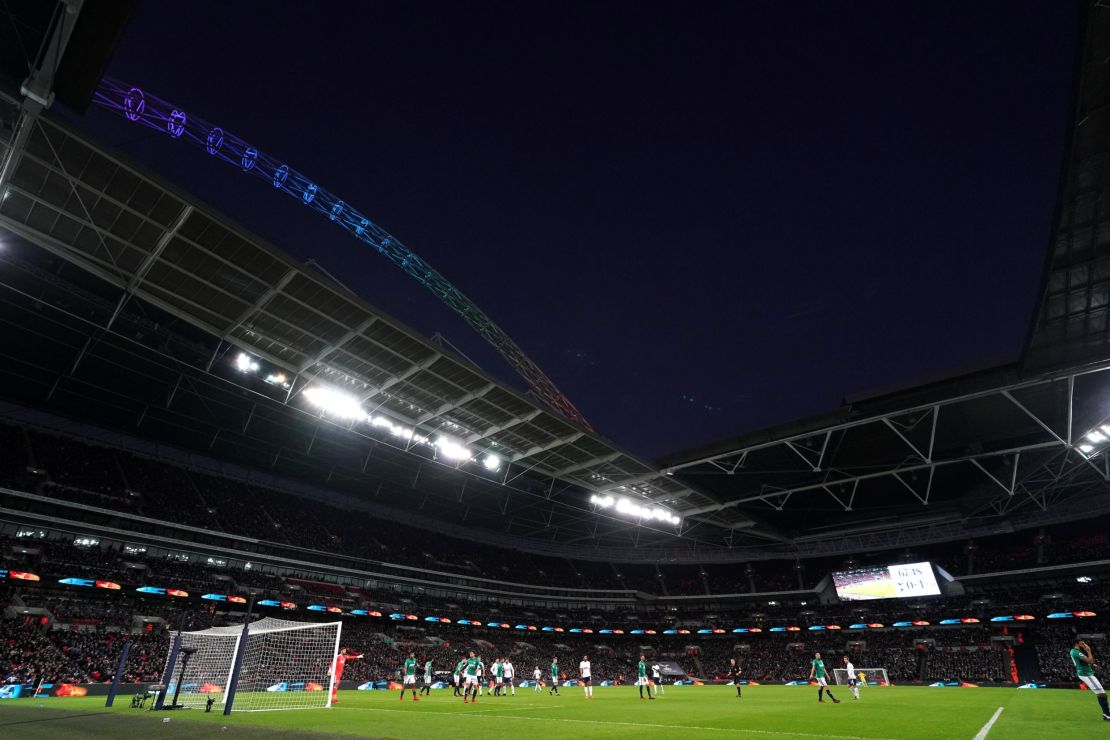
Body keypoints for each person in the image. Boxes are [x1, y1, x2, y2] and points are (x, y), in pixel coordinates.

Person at [1071, 638, 1110, 721]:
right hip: (1086, 675)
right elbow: (1089, 660)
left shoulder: (1076, 652)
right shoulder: (1076, 652)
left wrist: (1094, 665)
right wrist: (1089, 651)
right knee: (1101, 694)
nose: (1084, 644)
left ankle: (1106, 714)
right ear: (1077, 643)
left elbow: (1089, 662)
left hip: (1087, 673)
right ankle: (1107, 715)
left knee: (1102, 694)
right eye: (1082, 642)